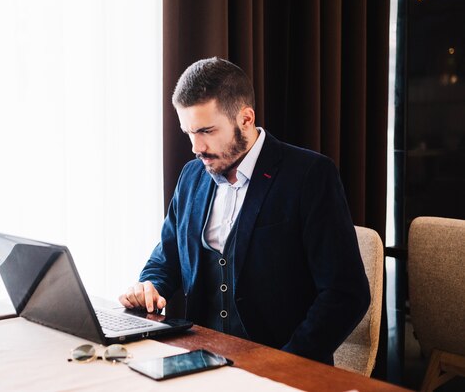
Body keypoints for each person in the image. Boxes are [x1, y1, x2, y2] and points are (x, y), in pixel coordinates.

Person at [119, 57, 370, 365]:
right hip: (199, 364)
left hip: (281, 368)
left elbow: (346, 294)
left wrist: (286, 365)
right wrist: (150, 286)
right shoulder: (191, 175)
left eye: (207, 131)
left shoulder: (310, 175)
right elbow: (167, 257)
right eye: (188, 132)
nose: (196, 147)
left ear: (246, 119)